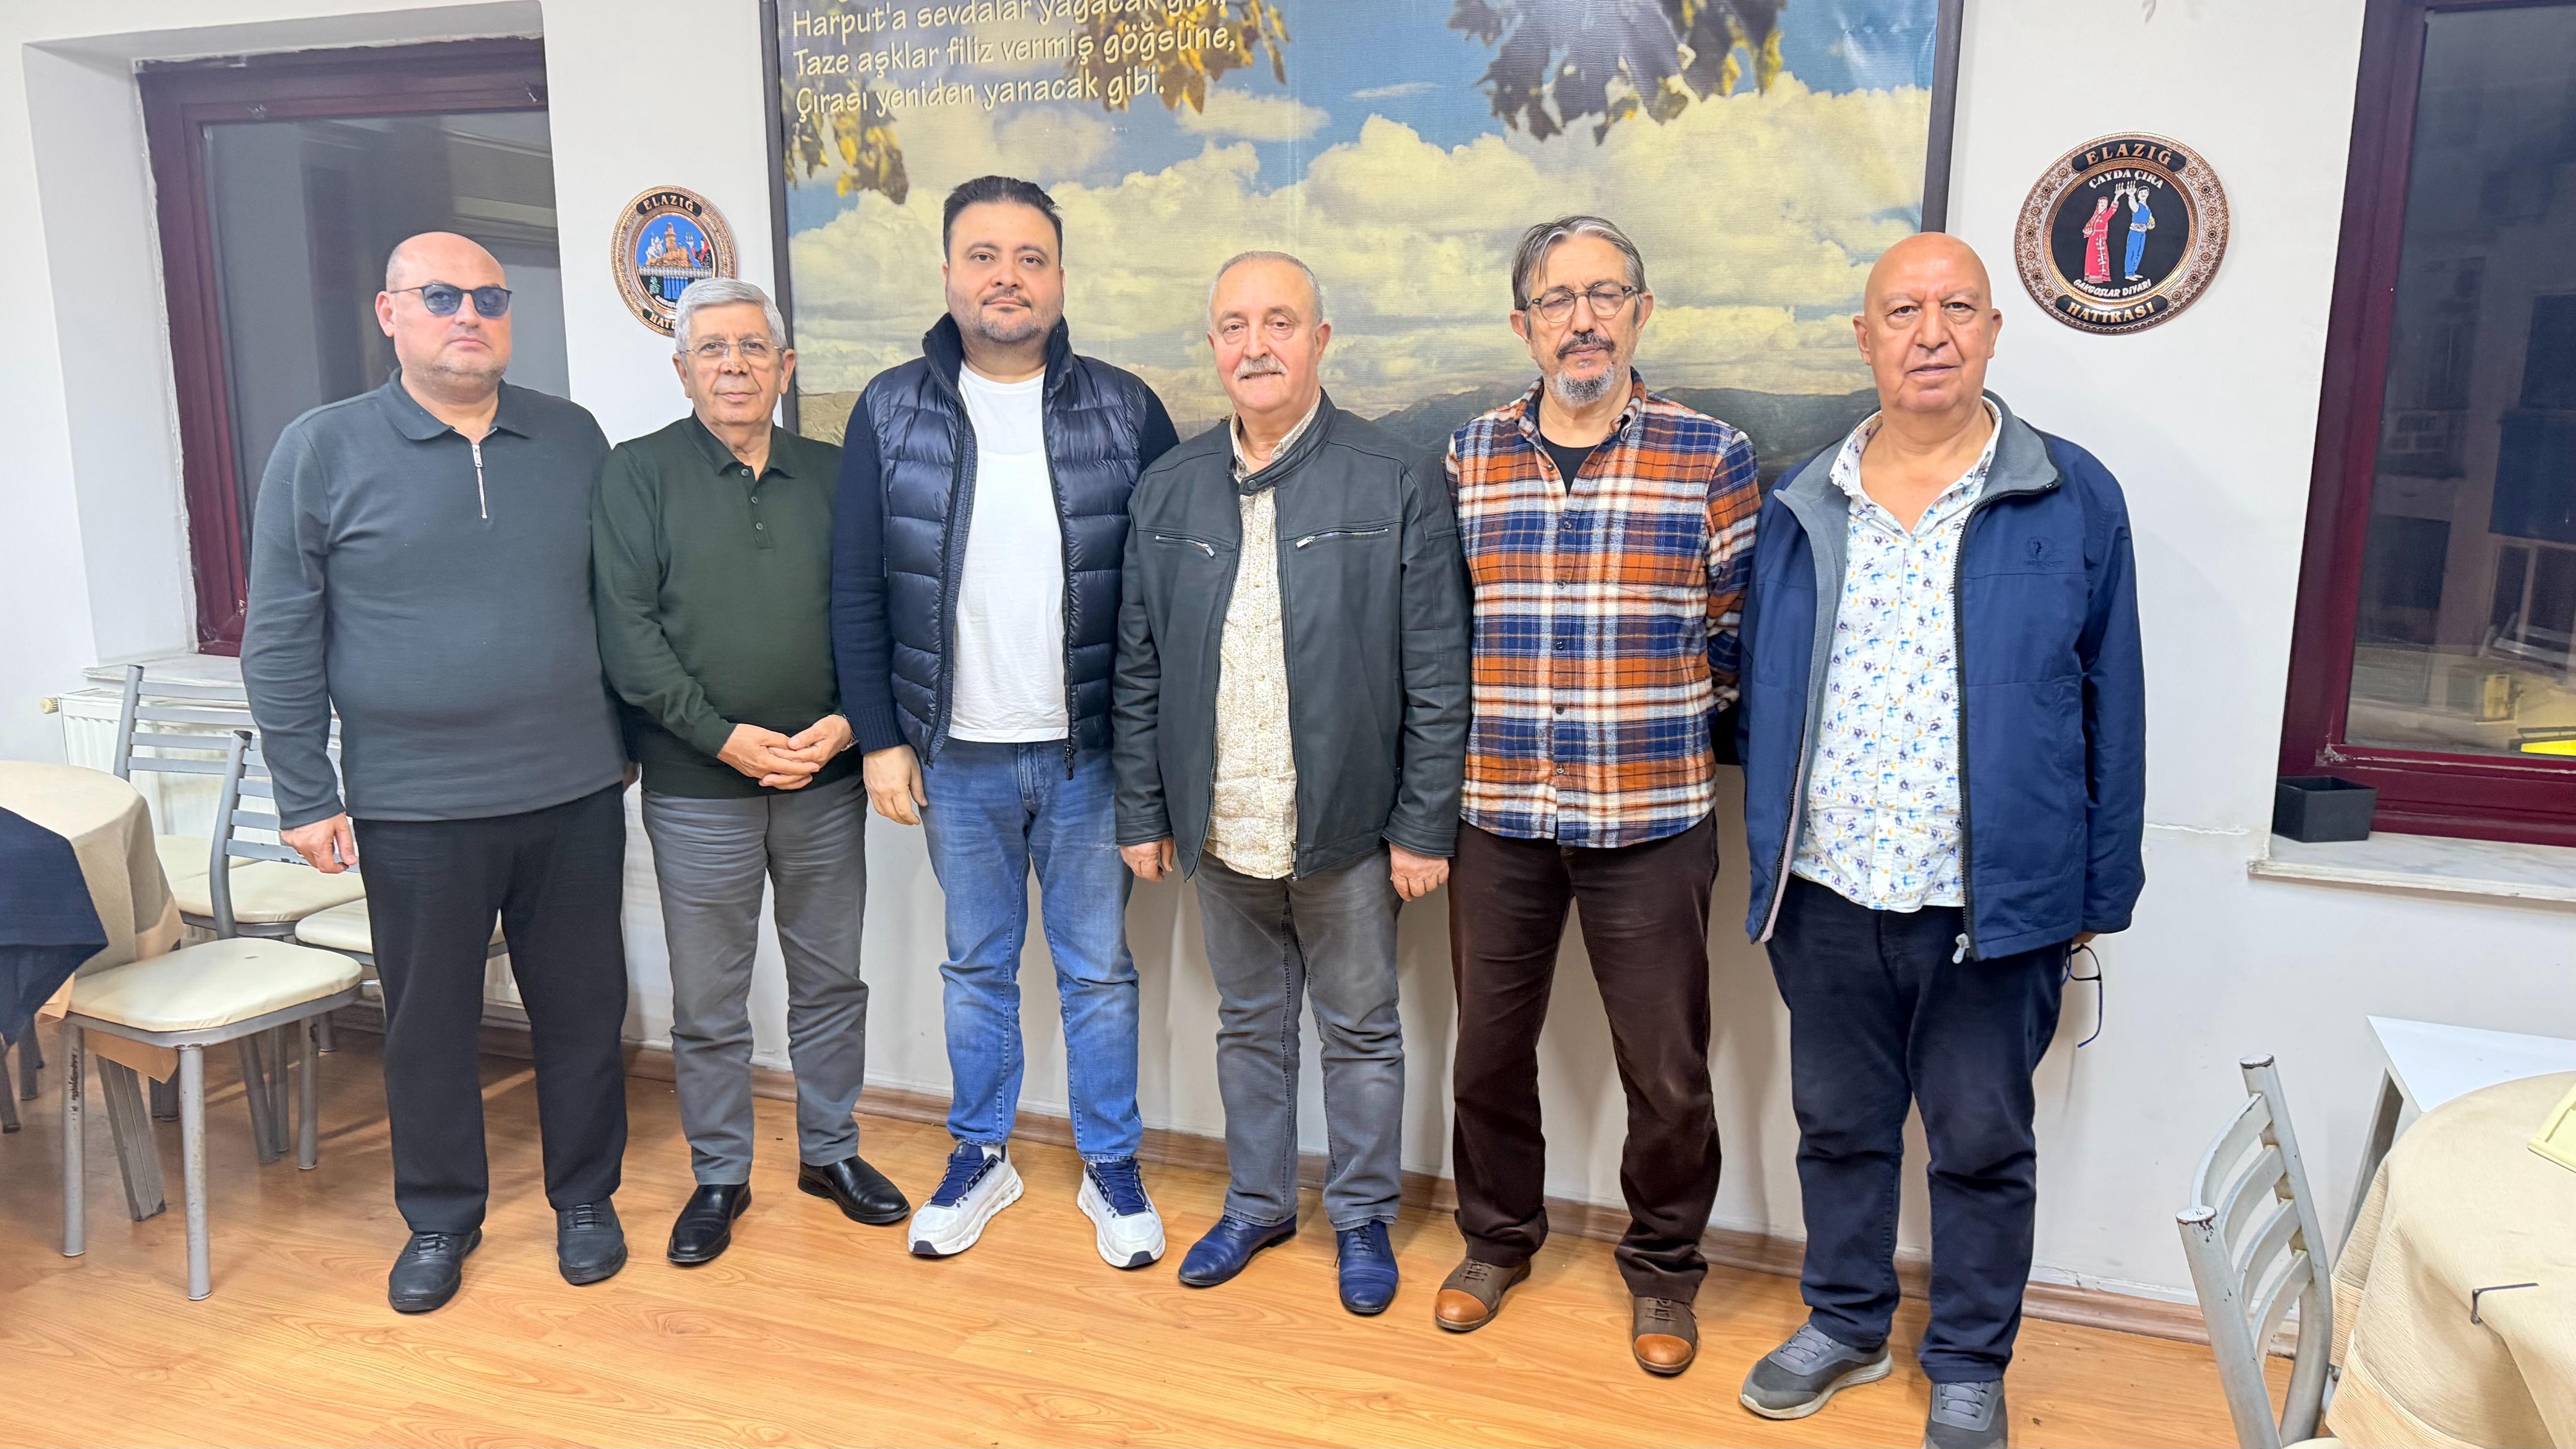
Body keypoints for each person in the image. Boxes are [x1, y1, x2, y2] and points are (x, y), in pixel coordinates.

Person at [1733, 232, 2145, 1449]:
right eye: (1903, 311)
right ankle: (1845, 1322)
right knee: (1837, 1130)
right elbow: (1763, 689)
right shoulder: (1802, 502)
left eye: (1957, 308)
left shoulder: (2070, 494)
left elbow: (2113, 704)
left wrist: (2097, 892)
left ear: (1992, 332)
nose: (1930, 333)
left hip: (1990, 903)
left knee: (1979, 1145)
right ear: (1863, 338)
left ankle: (1968, 1359)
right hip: (1825, 890)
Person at [244, 231, 631, 1313]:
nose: (470, 315)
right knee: (428, 1026)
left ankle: (586, 1199)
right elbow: (281, 636)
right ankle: (440, 1218)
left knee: (584, 1010)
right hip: (413, 802)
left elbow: (619, 603)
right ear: (390, 313)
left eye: (490, 298)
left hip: (573, 789)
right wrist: (305, 793)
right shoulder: (321, 449)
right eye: (443, 296)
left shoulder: (571, 436)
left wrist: (625, 746)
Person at [831, 176, 1180, 1267]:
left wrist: (1158, 764)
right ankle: (981, 1153)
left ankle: (1110, 1163)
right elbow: (855, 588)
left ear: (1061, 278)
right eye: (983, 256)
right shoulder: (890, 409)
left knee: (1098, 972)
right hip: (954, 758)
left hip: (1091, 758)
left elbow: (1170, 597)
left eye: (1030, 257)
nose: (1007, 278)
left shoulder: (1126, 409)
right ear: (948, 274)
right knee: (974, 968)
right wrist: (880, 738)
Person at [1112, 252, 1470, 1315]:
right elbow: (1138, 664)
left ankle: (1361, 1218)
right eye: (1235, 326)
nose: (1255, 345)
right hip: (1221, 824)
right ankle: (1259, 1203)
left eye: (1279, 322)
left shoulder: (1395, 478)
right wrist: (1143, 809)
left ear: (1320, 340)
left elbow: (1437, 667)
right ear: (1213, 346)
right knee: (1249, 1027)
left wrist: (1423, 825)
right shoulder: (1168, 487)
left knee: (1361, 1031)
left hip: (1348, 828)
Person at [1436, 215, 1759, 1377]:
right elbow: (1444, 634)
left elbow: (1734, 633)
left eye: (1605, 295)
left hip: (1651, 820)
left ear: (1641, 312)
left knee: (1666, 1072)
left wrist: (1653, 727)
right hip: (1499, 816)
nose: (1583, 320)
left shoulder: (1709, 455)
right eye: (1557, 300)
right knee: (1486, 1054)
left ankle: (1664, 1273)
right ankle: (1496, 1242)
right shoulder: (1469, 456)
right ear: (1522, 324)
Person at [593, 277, 907, 1268]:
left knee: (831, 981)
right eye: (713, 350)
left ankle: (831, 1151)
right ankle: (720, 1174)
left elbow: (884, 609)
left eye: (752, 348)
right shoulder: (636, 474)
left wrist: (851, 724)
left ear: (785, 366)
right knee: (710, 1000)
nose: (734, 366)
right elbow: (628, 634)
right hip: (698, 789)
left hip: (826, 781)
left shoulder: (837, 473)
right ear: (682, 369)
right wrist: (721, 736)